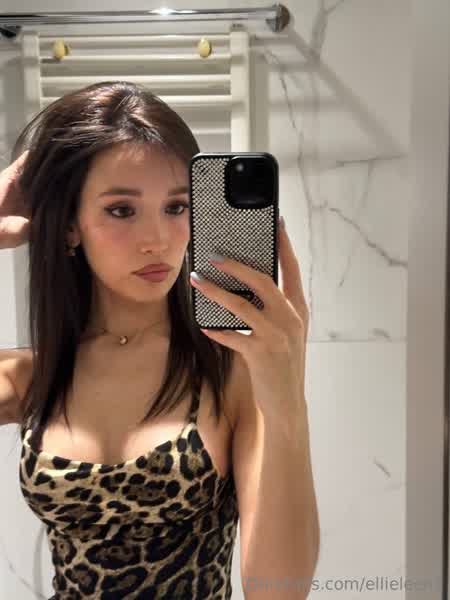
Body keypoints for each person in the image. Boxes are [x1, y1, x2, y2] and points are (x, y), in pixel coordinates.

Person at [0, 81, 240, 599]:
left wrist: (285, 379)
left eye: (177, 207)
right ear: (70, 225)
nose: (157, 240)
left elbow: (281, 588)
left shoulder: (227, 366)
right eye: (122, 210)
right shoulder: (32, 377)